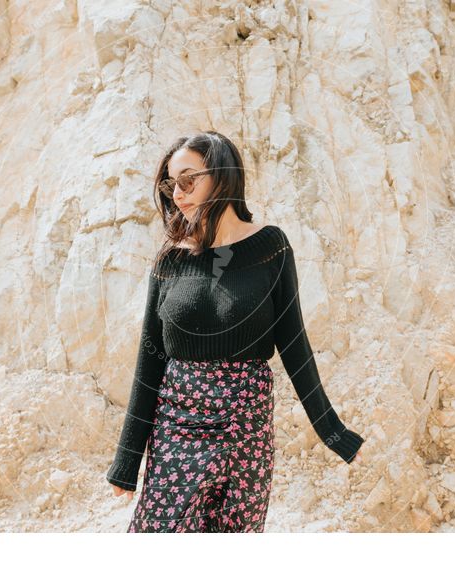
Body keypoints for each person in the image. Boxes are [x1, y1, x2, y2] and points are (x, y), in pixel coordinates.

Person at [106, 130, 365, 532]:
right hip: (178, 424)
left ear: (223, 175)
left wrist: (332, 432)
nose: (178, 193)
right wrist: (127, 459)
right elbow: (149, 358)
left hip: (247, 427)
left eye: (189, 179)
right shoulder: (170, 260)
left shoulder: (270, 247)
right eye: (170, 184)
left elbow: (294, 343)